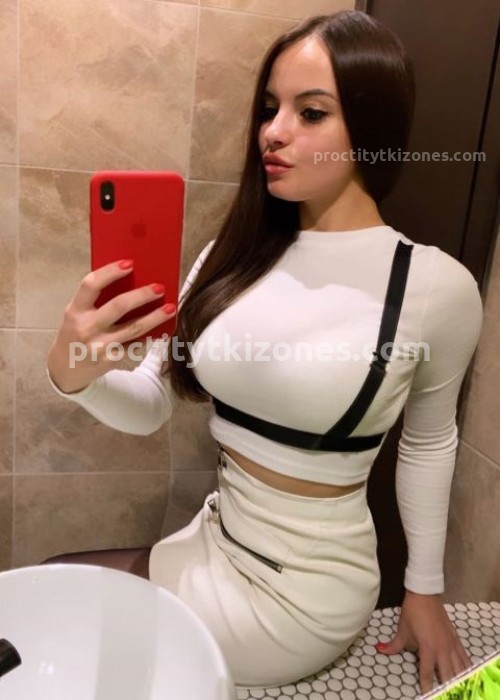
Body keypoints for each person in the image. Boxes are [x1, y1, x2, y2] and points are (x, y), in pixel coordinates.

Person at [46, 10, 483, 694]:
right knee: (53, 592)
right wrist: (75, 372)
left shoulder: (433, 286)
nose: (273, 132)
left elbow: (429, 443)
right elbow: (152, 402)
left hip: (302, 596)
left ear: (372, 127)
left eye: (311, 113)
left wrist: (422, 590)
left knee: (63, 625)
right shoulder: (233, 255)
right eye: (269, 108)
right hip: (212, 540)